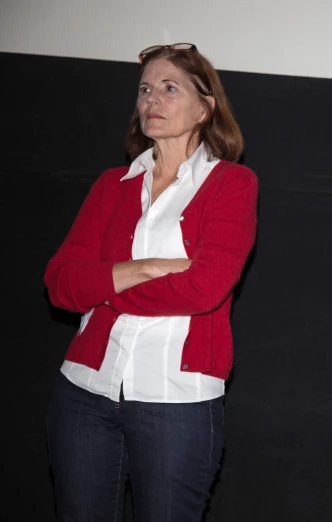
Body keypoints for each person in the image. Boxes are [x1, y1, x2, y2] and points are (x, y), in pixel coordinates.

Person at [44, 43, 258, 522]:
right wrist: (145, 268)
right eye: (144, 90)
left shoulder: (232, 184)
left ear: (205, 108)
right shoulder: (110, 185)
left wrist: (102, 287)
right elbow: (60, 283)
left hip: (176, 400)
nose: (151, 101)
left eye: (168, 88)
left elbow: (204, 289)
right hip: (84, 392)